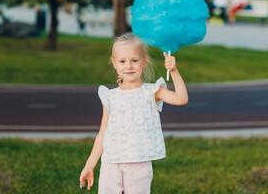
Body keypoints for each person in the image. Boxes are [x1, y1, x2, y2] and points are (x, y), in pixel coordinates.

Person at [79, 33, 188, 193]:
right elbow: (103, 133)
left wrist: (174, 71)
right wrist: (90, 165)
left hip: (139, 165)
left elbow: (181, 98)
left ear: (144, 62)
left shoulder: (152, 91)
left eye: (134, 60)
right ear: (114, 63)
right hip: (111, 164)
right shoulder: (110, 96)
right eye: (122, 61)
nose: (128, 66)